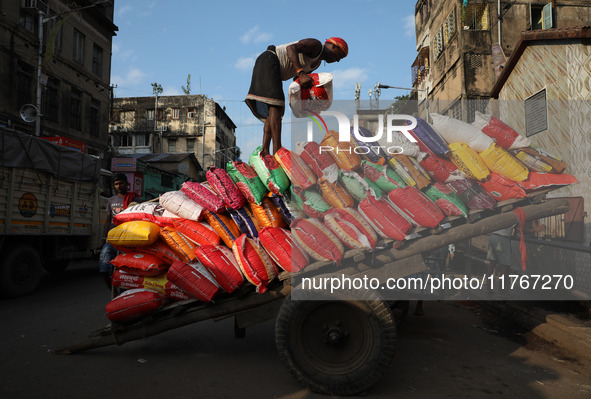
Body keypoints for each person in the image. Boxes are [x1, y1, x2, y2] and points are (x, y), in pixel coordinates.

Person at [245, 37, 349, 156]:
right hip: (270, 60)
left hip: (276, 71)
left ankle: (265, 151)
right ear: (333, 46)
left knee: (274, 109)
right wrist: (301, 72)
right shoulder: (316, 45)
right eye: (339, 55)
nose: (338, 60)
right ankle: (277, 151)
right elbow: (291, 49)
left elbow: (298, 81)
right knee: (276, 106)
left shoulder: (316, 64)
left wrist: (311, 101)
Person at [98, 173, 140, 288]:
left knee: (125, 270)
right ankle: (112, 291)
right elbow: (108, 220)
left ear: (127, 184)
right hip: (111, 239)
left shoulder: (133, 199)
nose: (118, 186)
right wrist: (103, 239)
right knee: (104, 267)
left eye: (121, 183)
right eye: (116, 184)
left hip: (127, 238)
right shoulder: (111, 200)